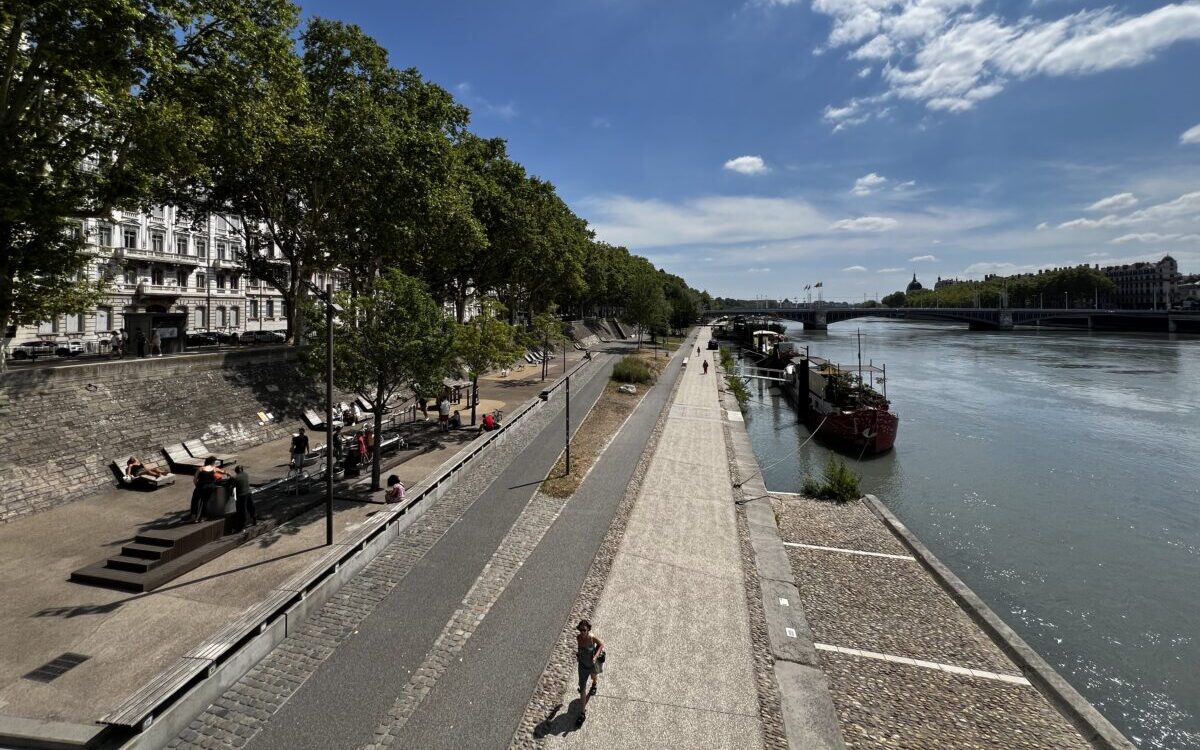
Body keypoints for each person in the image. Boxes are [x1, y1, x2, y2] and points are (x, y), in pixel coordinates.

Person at [575, 619, 604, 726]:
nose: (582, 632)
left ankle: (594, 684)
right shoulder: (578, 638)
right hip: (582, 666)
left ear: (588, 630)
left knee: (593, 677)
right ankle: (582, 713)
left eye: (584, 630)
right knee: (582, 688)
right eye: (581, 630)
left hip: (591, 665)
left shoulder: (592, 638)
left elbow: (601, 644)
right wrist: (578, 656)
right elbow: (579, 649)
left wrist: (595, 657)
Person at [190, 456, 222, 522]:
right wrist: (227, 473)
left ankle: (193, 517)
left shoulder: (200, 469)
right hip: (210, 487)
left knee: (195, 501)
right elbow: (221, 471)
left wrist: (197, 486)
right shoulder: (213, 468)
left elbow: (194, 480)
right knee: (206, 501)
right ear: (212, 462)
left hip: (201, 486)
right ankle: (203, 517)